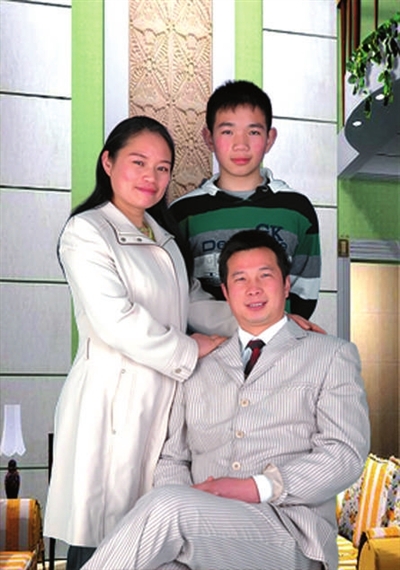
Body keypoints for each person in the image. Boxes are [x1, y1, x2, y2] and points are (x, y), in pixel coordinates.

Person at [81, 229, 370, 570]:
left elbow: (344, 454)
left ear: (286, 285)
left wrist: (255, 487)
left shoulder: (331, 355)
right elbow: (173, 459)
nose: (253, 288)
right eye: (240, 279)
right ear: (226, 293)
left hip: (289, 532)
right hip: (202, 531)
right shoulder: (199, 363)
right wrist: (190, 501)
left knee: (167, 507)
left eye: (265, 276)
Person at [43, 116, 234, 570]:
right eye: (139, 162)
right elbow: (116, 320)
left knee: (151, 543)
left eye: (163, 168)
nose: (152, 177)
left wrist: (263, 320)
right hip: (111, 406)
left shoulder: (164, 238)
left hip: (163, 405)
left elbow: (190, 303)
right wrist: (189, 350)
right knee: (103, 541)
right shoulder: (86, 231)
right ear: (108, 162)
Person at [170, 79, 321, 320]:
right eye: (227, 132)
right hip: (205, 341)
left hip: (277, 340)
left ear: (270, 138)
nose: (241, 145)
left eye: (253, 132)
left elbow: (305, 290)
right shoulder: (182, 212)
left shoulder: (297, 210)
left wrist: (275, 331)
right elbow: (177, 290)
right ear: (209, 138)